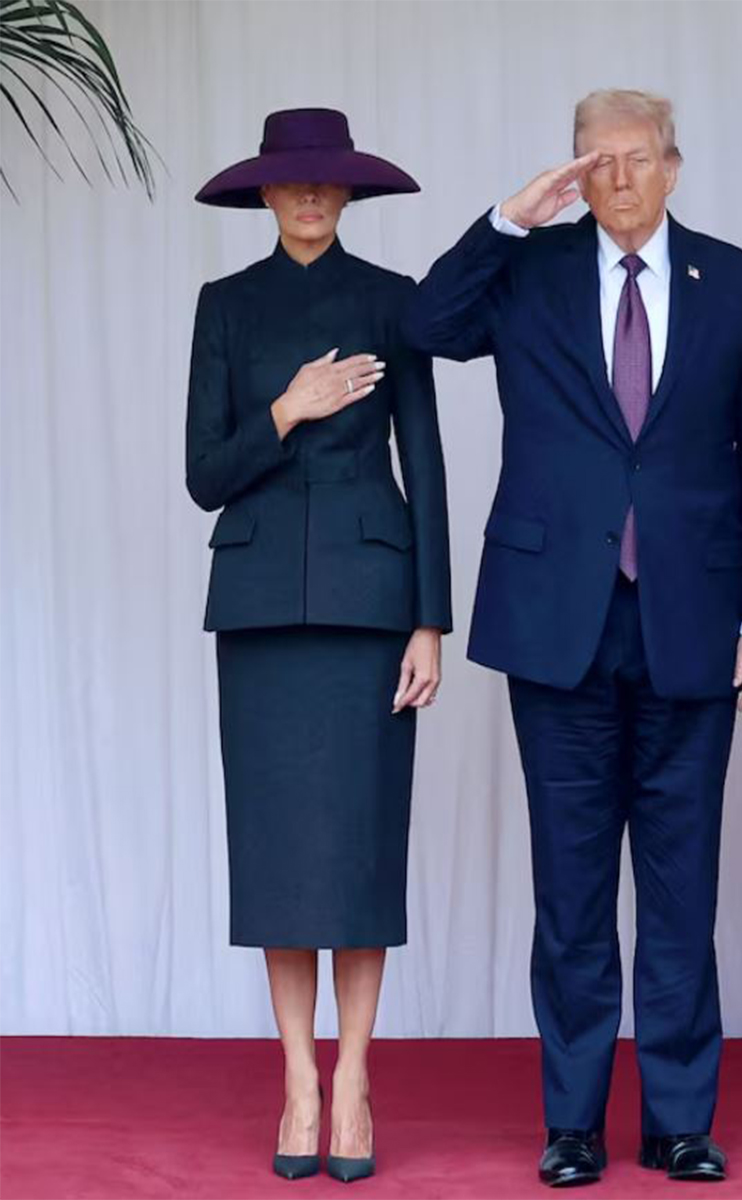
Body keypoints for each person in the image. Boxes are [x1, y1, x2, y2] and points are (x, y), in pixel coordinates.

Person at [404, 89, 742, 1187]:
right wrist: (509, 218)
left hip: (694, 622)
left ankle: (677, 1121)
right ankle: (571, 1122)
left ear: (674, 164)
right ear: (572, 170)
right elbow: (425, 326)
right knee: (570, 893)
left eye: (636, 156)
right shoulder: (526, 269)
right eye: (594, 160)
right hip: (556, 623)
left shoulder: (735, 279)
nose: (617, 176)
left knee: (681, 892)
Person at [188, 107, 450, 1183]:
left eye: (325, 185)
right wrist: (288, 410)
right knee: (282, 860)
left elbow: (426, 465)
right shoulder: (225, 307)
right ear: (264, 194)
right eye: (290, 185)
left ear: (347, 195)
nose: (308, 199)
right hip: (256, 614)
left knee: (355, 850)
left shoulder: (393, 304)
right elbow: (206, 473)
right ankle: (297, 1078)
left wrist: (431, 618)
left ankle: (355, 1077)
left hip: (368, 608)